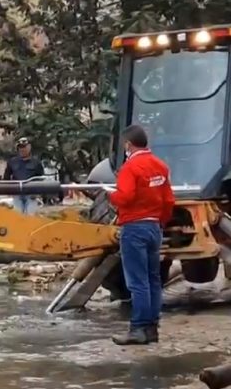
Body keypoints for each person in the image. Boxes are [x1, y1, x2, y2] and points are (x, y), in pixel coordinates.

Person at [107, 125, 174, 346]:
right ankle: (151, 328)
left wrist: (112, 195)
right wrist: (160, 222)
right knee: (153, 279)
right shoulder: (160, 166)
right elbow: (168, 201)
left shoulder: (130, 167)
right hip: (154, 227)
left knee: (138, 282)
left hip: (134, 228)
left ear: (128, 144)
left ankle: (138, 328)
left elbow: (125, 198)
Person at [2, 137, 45, 214]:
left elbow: (41, 178)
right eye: (20, 147)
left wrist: (37, 193)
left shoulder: (36, 162)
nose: (22, 149)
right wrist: (8, 190)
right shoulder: (12, 162)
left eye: (24, 147)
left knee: (31, 216)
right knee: (17, 216)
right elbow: (6, 177)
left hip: (31, 194)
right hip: (17, 193)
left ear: (29, 147)